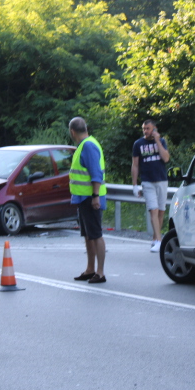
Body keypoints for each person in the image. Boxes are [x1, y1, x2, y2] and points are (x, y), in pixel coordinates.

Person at [69, 117, 108, 284]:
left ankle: (100, 272)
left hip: (90, 197)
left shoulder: (88, 146)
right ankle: (90, 269)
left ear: (72, 132)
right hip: (83, 197)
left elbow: (96, 173)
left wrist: (95, 195)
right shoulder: (84, 145)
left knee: (96, 234)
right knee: (88, 235)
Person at [132, 119, 170, 252]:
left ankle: (155, 238)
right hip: (147, 181)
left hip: (161, 180)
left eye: (148, 128)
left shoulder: (162, 141)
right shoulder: (138, 144)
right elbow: (135, 165)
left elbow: (166, 158)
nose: (145, 131)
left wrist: (158, 141)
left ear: (154, 129)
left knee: (161, 211)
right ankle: (159, 241)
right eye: (144, 129)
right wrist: (135, 184)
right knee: (153, 209)